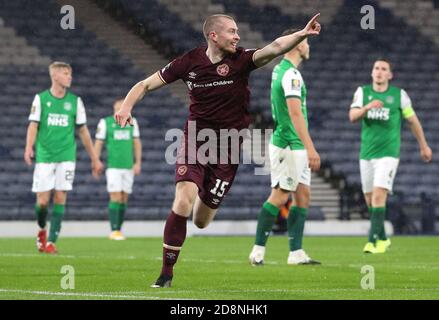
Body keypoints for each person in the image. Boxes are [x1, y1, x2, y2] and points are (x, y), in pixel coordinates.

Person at [115, 13, 321, 288]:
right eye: (232, 31)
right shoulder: (188, 62)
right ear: (214, 35)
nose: (237, 36)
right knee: (182, 201)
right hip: (196, 139)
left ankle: (201, 192)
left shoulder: (242, 61)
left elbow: (273, 48)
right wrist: (127, 106)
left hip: (228, 147)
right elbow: (145, 84)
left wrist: (301, 34)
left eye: (237, 31)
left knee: (200, 221)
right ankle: (166, 274)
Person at [249, 29, 321, 266]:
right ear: (299, 45)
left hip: (294, 143)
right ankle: (257, 250)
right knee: (280, 195)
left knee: (303, 196)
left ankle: (296, 252)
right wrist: (310, 147)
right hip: (290, 144)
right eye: (306, 42)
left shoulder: (280, 70)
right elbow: (294, 112)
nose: (308, 47)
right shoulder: (291, 75)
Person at [349, 59, 432, 253]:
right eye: (376, 68)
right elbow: (352, 117)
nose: (379, 72)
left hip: (388, 154)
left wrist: (424, 145)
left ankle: (372, 241)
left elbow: (413, 121)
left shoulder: (399, 96)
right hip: (366, 154)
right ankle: (384, 238)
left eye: (383, 69)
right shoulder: (362, 92)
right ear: (372, 73)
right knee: (370, 201)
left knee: (379, 196)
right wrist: (368, 107)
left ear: (390, 75)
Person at [24, 61, 103, 254]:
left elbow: (83, 131)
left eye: (70, 73)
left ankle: (51, 241)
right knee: (42, 201)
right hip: (44, 157)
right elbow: (33, 125)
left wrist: (94, 158)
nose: (70, 77)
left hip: (67, 156)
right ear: (55, 76)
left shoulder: (75, 101)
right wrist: (29, 148)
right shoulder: (41, 99)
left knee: (60, 197)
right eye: (66, 73)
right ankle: (42, 230)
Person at [94, 97, 142, 240]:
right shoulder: (106, 123)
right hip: (113, 167)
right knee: (115, 196)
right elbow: (98, 143)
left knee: (124, 198)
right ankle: (114, 230)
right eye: (117, 108)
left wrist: (137, 162)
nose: (119, 110)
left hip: (128, 166)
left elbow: (137, 143)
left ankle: (118, 230)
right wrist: (96, 161)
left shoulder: (132, 122)